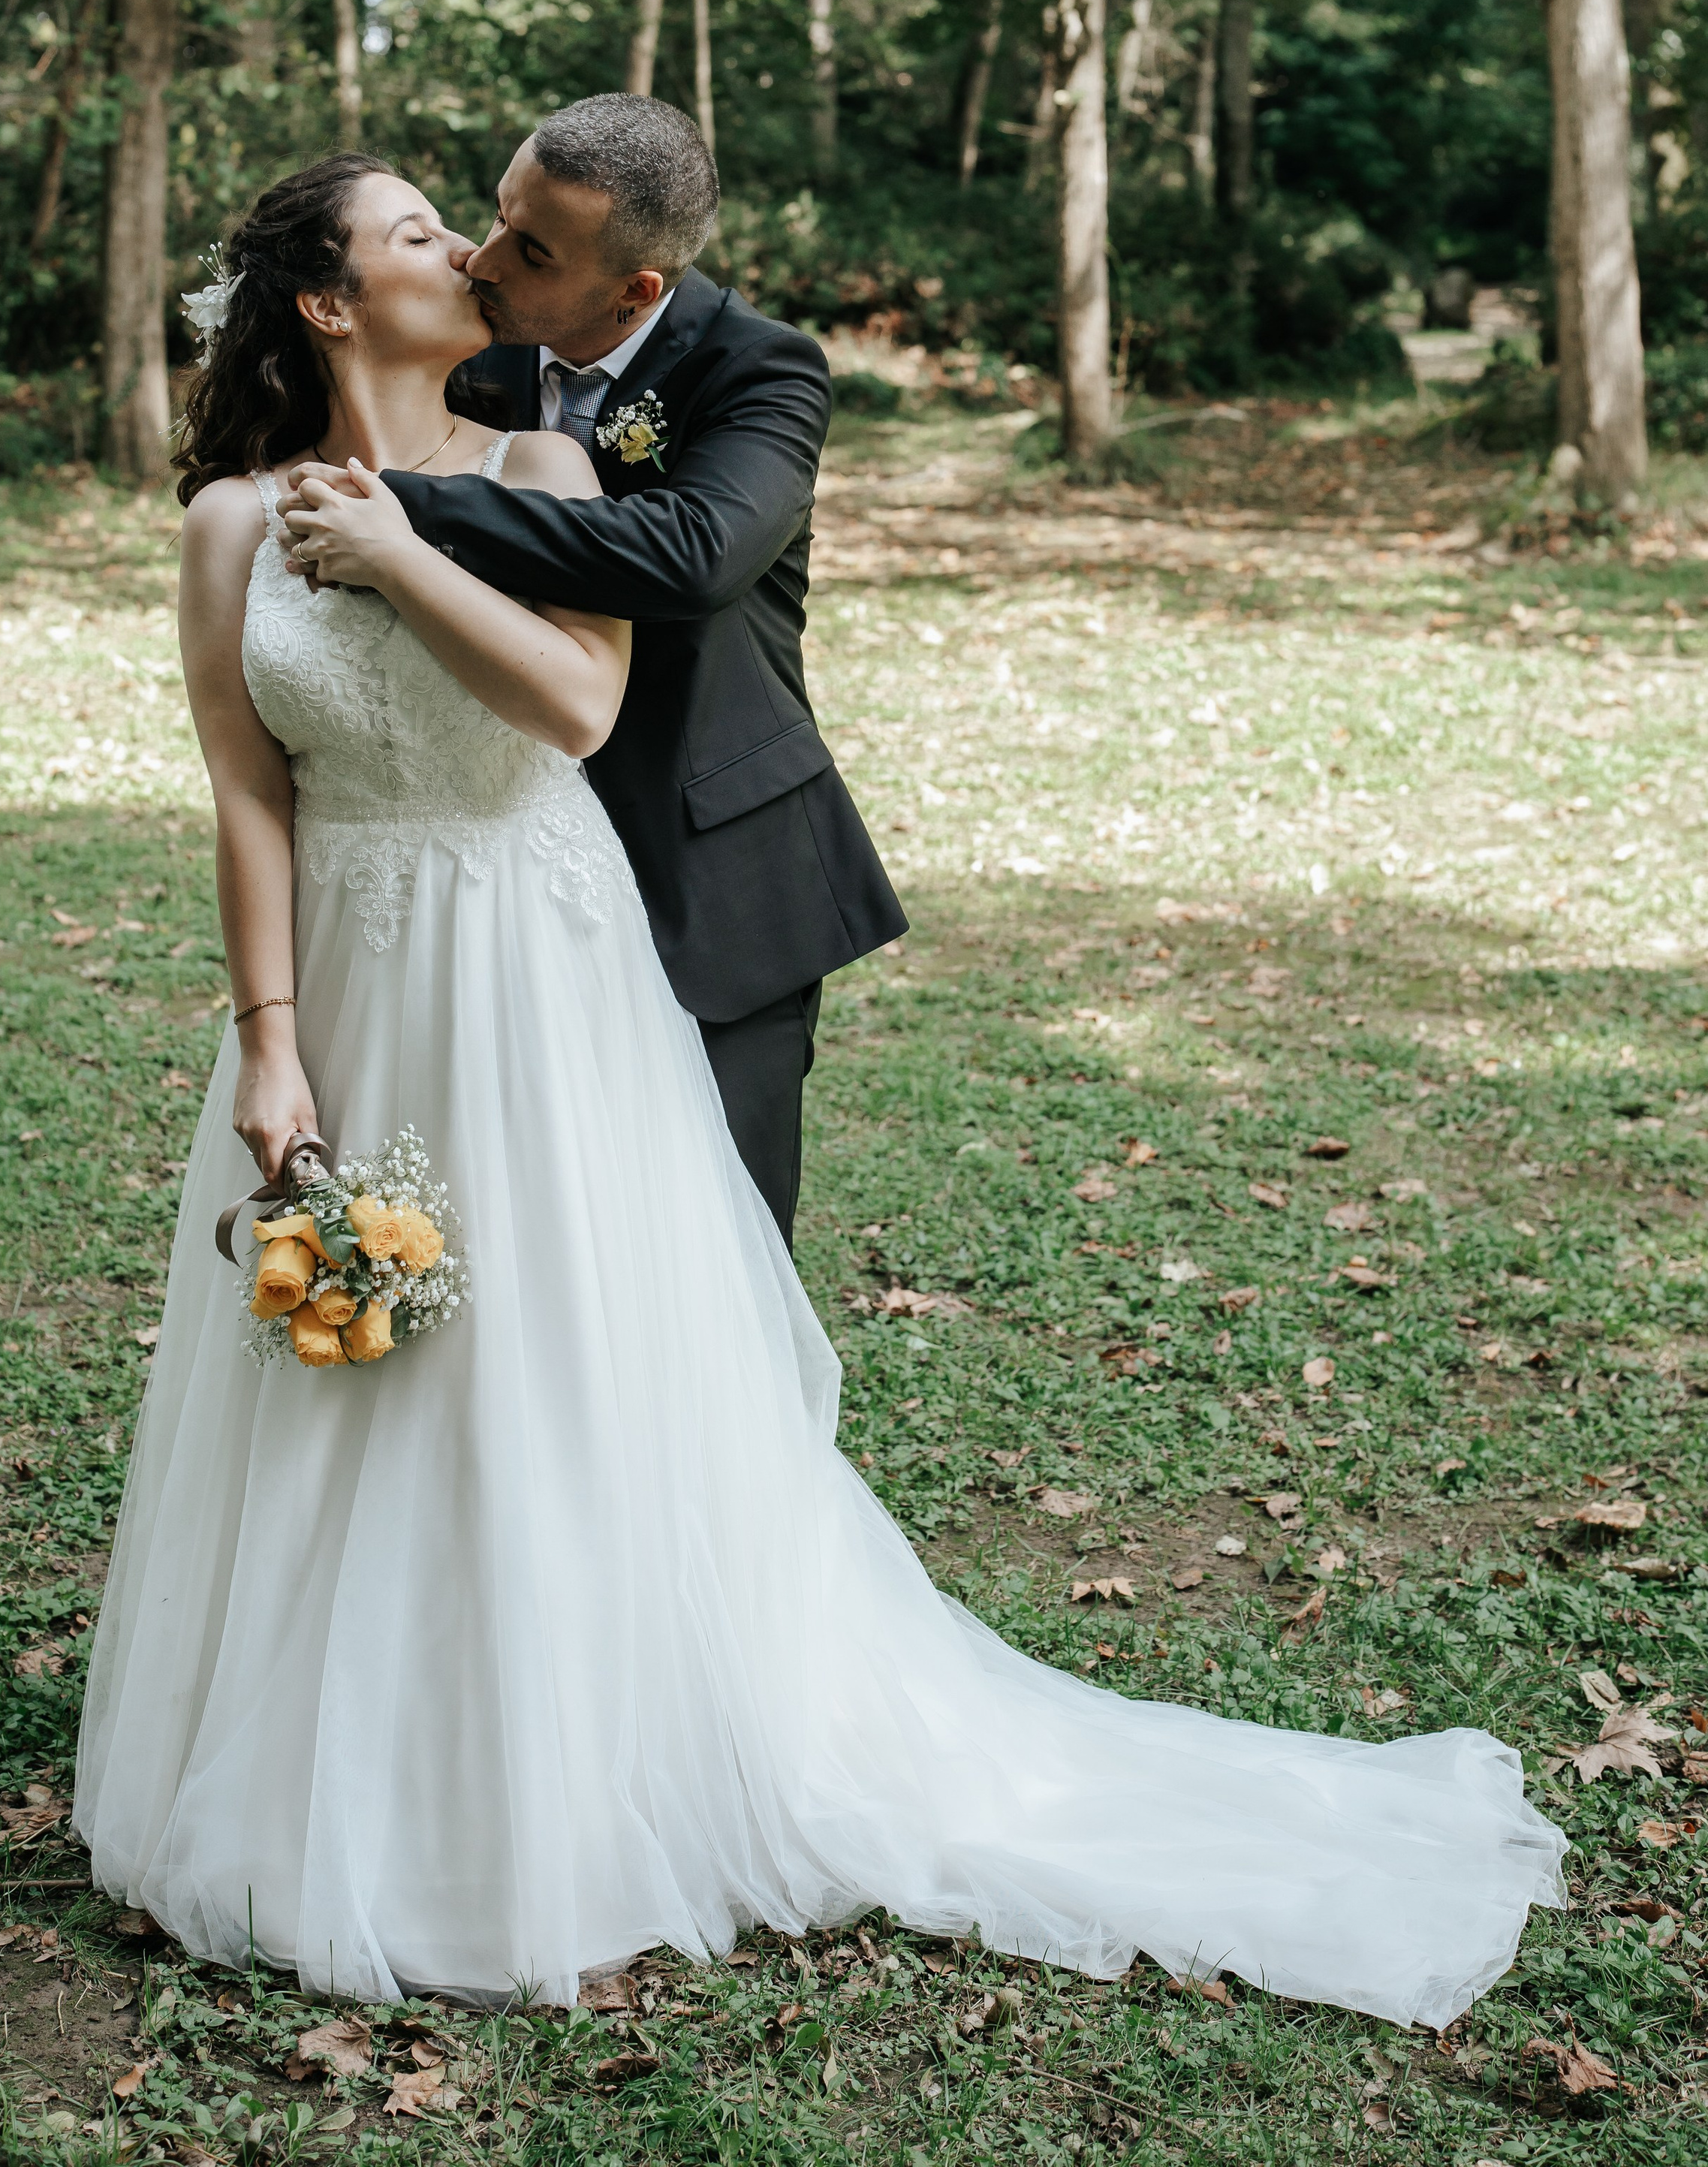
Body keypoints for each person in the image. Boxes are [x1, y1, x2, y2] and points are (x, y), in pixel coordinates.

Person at [75, 149, 1564, 2021]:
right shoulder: (227, 522)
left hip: (534, 963)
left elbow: (578, 708)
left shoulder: (544, 465)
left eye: (475, 225)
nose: (463, 247)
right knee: (357, 1357)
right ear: (323, 301)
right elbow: (245, 788)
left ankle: (584, 1781)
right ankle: (338, 1773)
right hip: (356, 972)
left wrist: (397, 547)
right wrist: (271, 1036)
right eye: (418, 231)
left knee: (551, 1353)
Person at [279, 95, 904, 1250]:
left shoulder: (759, 368)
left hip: (707, 862)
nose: (484, 257)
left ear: (635, 290)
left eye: (533, 250)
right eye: (497, 215)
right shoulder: (479, 347)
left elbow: (695, 554)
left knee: (714, 1251)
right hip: (506, 867)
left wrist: (406, 513)